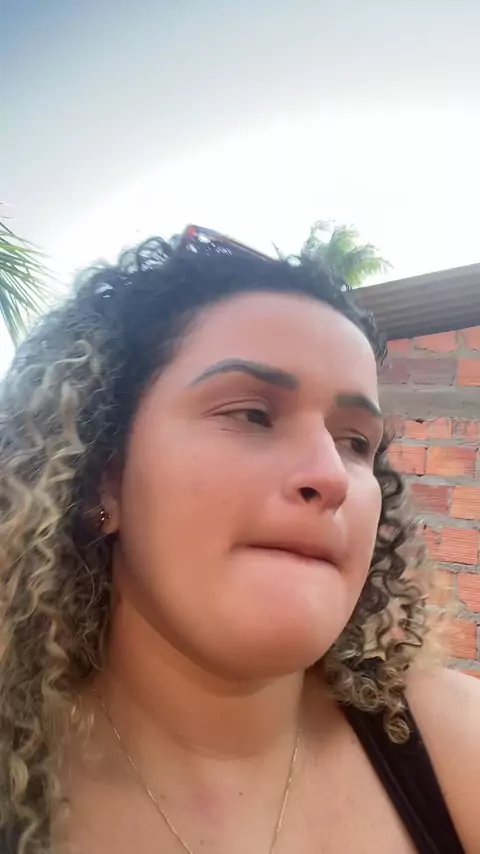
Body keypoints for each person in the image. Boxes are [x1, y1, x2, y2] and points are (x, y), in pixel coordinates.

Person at [0, 226, 478, 854]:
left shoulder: (453, 743)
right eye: (252, 415)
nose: (331, 476)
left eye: (356, 442)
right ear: (103, 478)